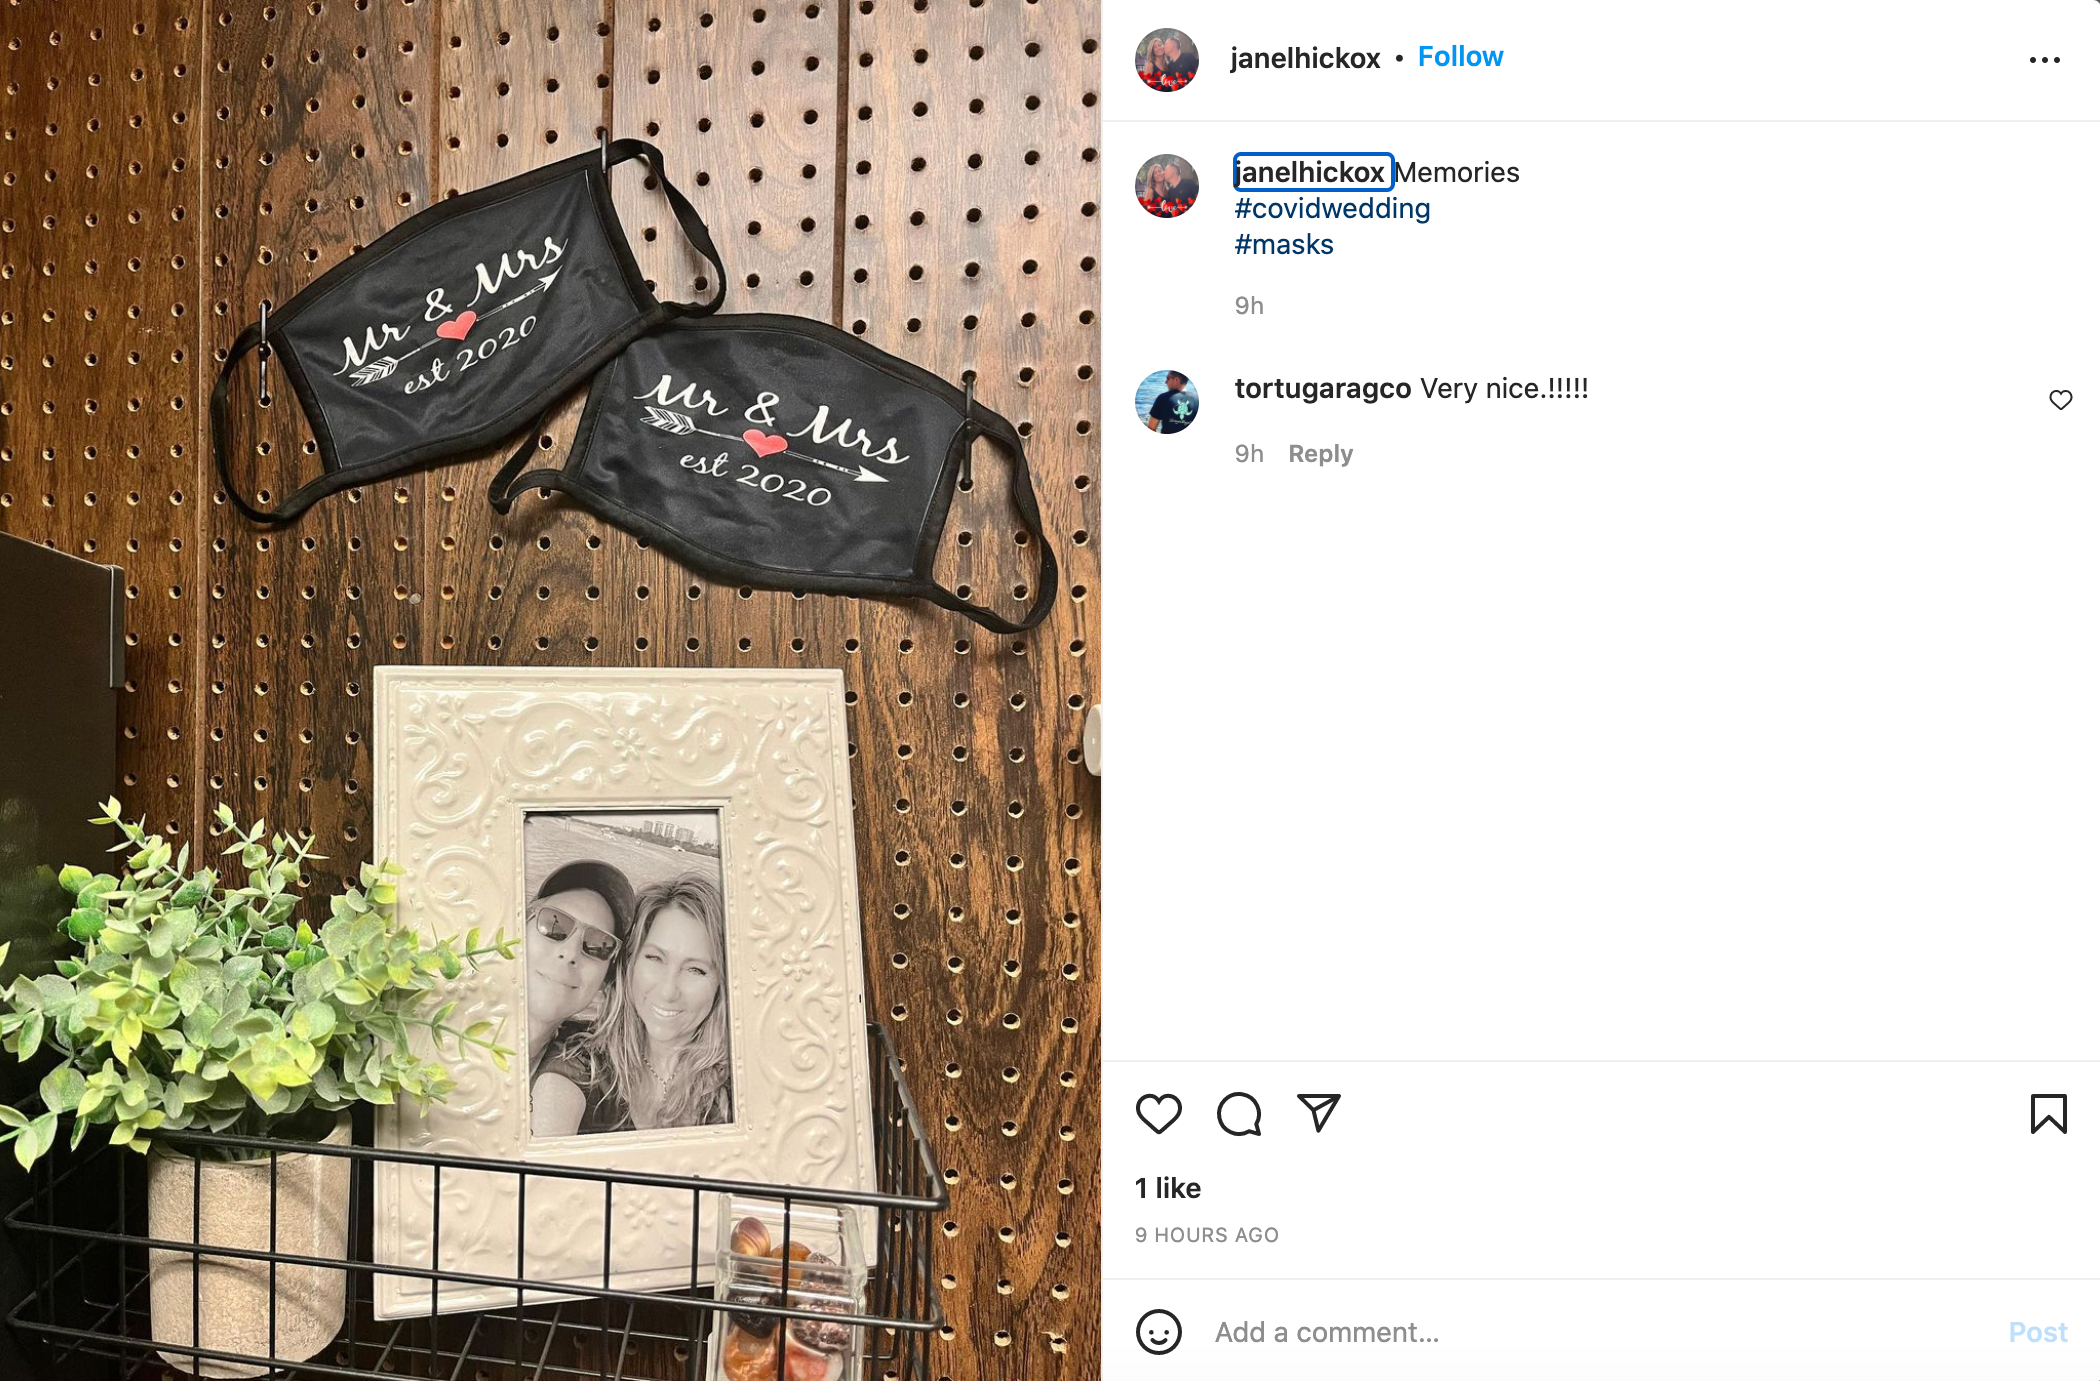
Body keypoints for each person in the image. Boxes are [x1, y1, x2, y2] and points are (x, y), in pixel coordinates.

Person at [535, 871, 734, 1135]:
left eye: (696, 969)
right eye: (655, 958)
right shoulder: (577, 1067)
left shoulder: (742, 1084)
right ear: (629, 963)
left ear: (722, 982)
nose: (668, 991)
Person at [523, 861, 634, 1099]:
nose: (570, 953)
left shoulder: (586, 1074)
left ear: (605, 978)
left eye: (598, 945)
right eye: (554, 924)